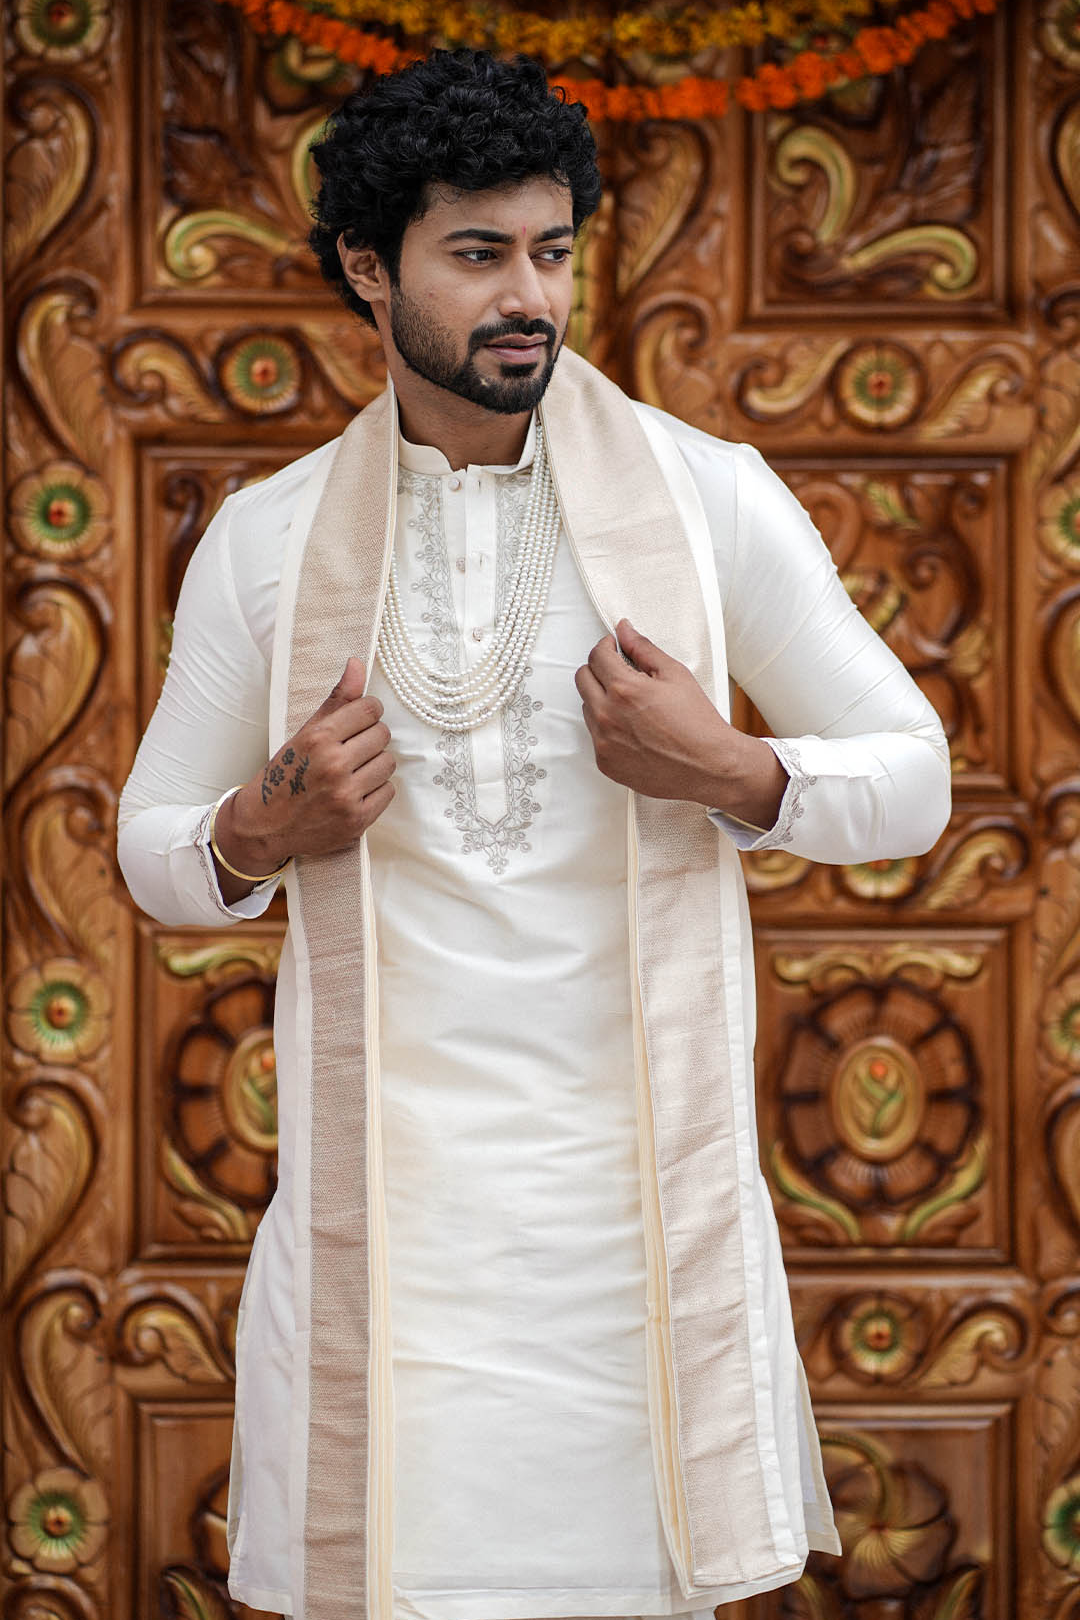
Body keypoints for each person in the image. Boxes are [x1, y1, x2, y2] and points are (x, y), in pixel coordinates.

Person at [116, 46, 952, 1620]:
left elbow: (916, 777)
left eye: (554, 252)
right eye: (480, 254)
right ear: (369, 268)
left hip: (633, 1244)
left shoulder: (708, 502)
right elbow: (152, 851)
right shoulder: (269, 541)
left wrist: (732, 771)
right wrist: (259, 825)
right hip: (390, 1247)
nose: (532, 298)